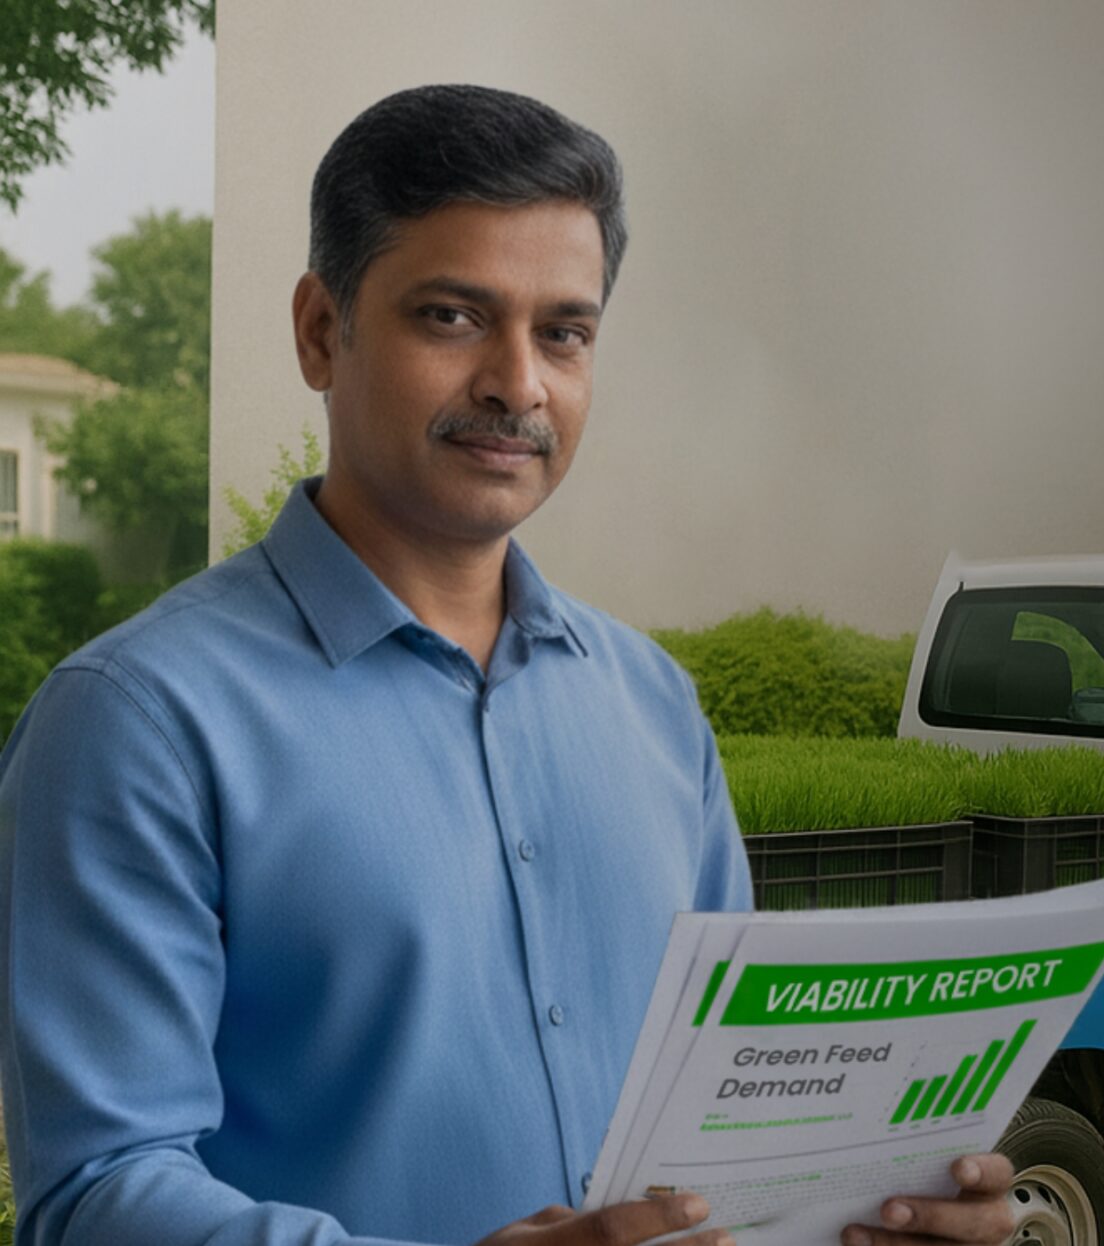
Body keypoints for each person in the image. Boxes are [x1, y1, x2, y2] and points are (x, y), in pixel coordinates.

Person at [0, 85, 1015, 1246]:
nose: (518, 383)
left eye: (564, 332)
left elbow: (740, 1123)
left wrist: (871, 1208)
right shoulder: (135, 722)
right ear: (320, 331)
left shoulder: (652, 705)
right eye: (451, 316)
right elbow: (95, 1196)